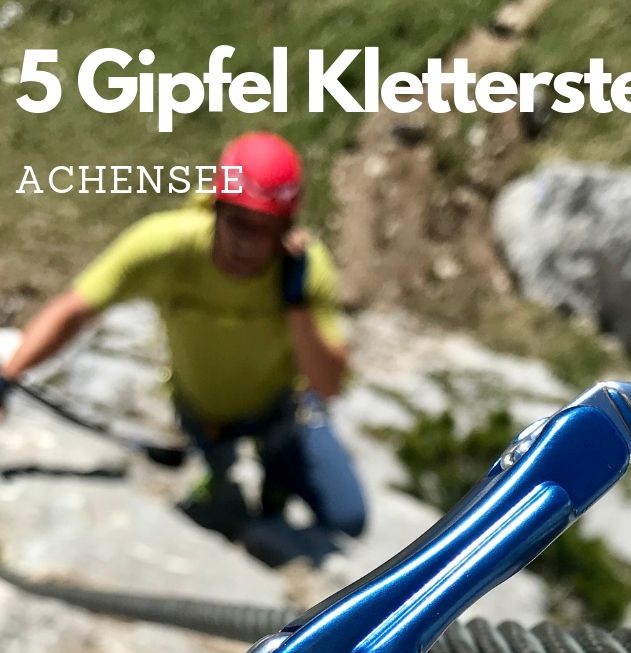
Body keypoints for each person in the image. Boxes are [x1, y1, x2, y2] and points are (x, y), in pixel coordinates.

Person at [0, 131, 367, 543]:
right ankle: (225, 472)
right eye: (239, 222)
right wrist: (10, 375)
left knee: (347, 517)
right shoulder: (167, 246)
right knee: (221, 507)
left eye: (264, 229)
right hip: (202, 416)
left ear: (285, 229)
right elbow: (76, 308)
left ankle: (273, 474)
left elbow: (328, 384)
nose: (247, 242)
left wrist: (296, 302)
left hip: (280, 413)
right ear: (216, 208)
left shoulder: (304, 268)